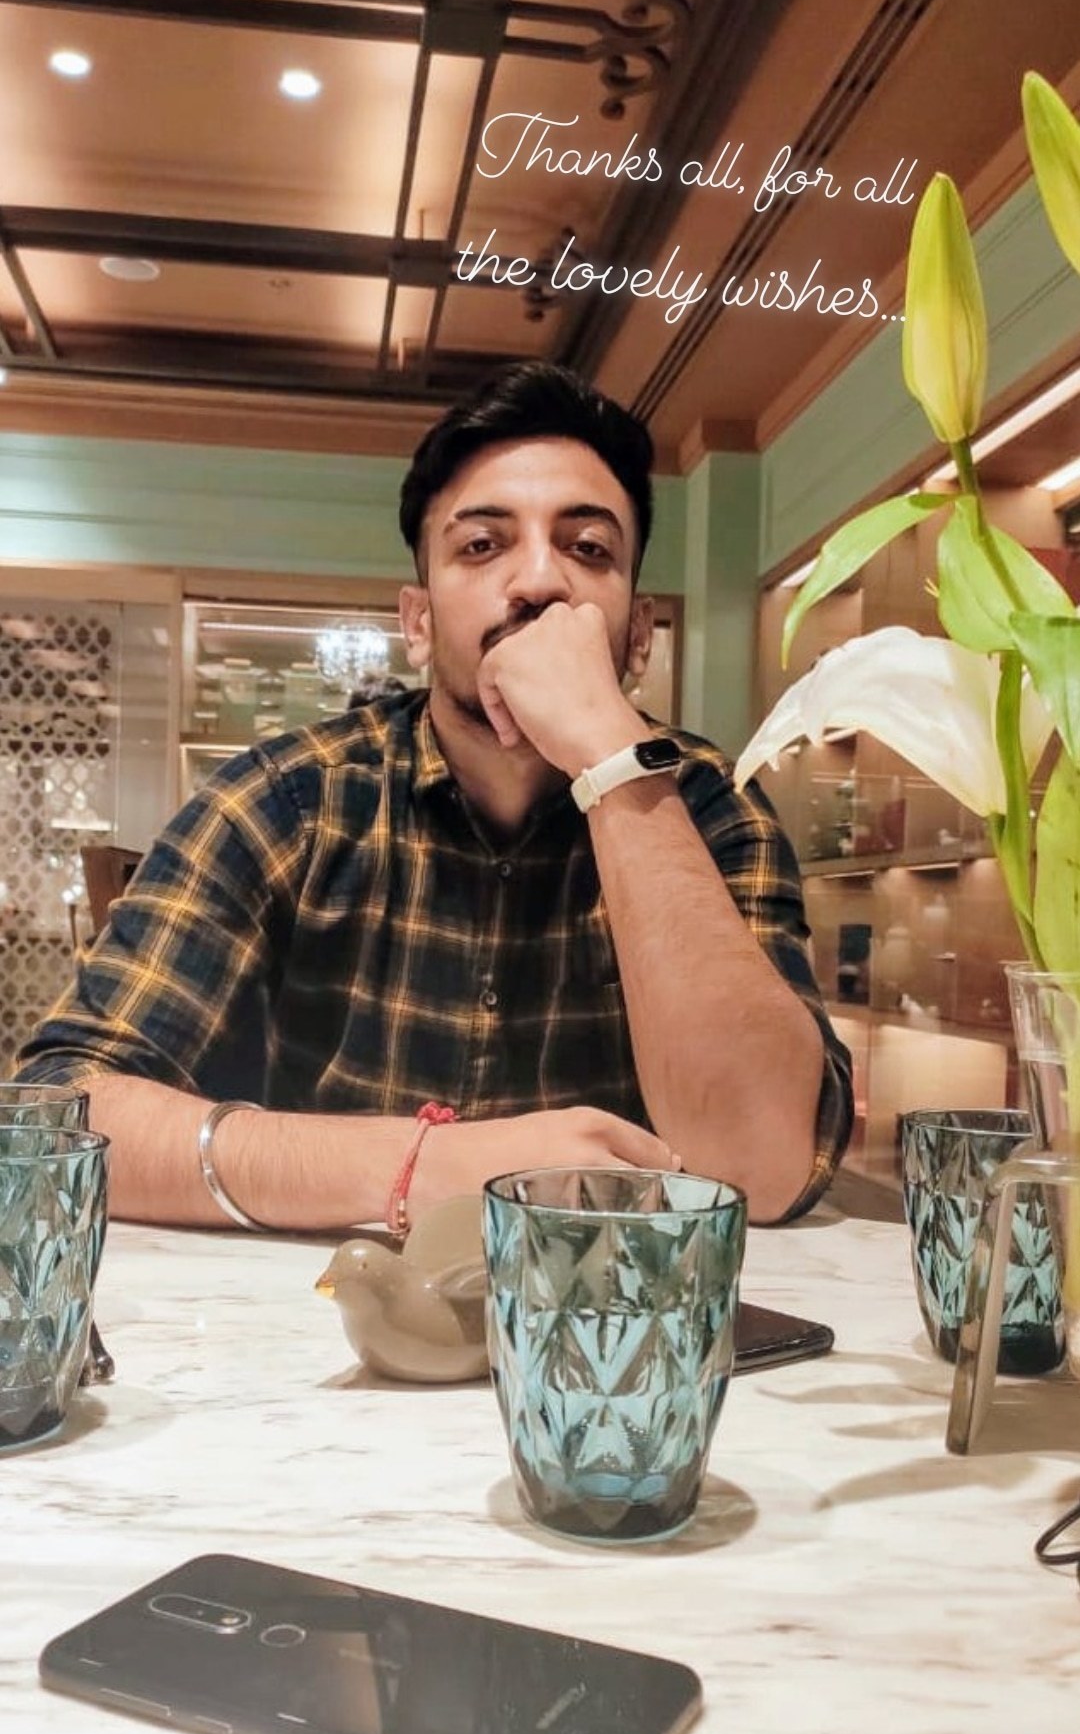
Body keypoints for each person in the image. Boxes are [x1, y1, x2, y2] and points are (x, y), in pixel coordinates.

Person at [16, 362, 851, 1232]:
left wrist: (611, 754)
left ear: (639, 635)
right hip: (320, 1307)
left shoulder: (710, 809)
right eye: (483, 546)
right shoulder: (288, 802)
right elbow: (55, 1111)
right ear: (417, 623)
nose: (539, 583)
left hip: (613, 1309)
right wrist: (414, 1165)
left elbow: (764, 1162)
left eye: (589, 550)